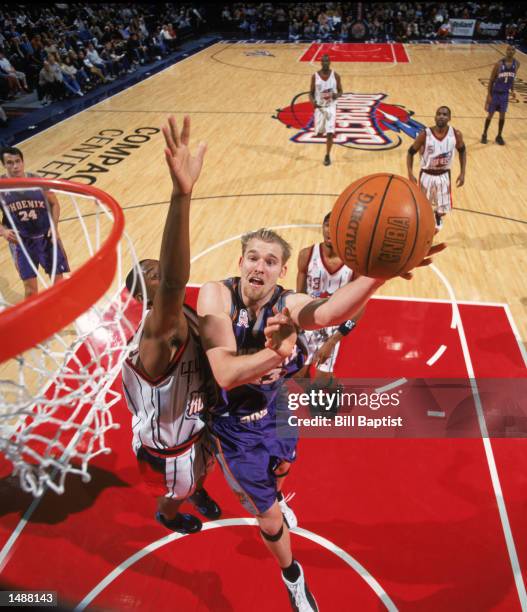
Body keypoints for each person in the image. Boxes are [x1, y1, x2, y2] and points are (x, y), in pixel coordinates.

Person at [198, 227, 444, 611]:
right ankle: (293, 576)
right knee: (270, 519)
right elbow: (226, 373)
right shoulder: (216, 294)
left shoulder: (287, 300)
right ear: (240, 262)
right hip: (234, 431)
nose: (259, 266)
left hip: (275, 406)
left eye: (270, 261)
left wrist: (378, 275)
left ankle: (276, 489)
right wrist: (279, 354)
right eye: (253, 257)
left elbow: (328, 312)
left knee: (283, 466)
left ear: (280, 271)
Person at [121, 116, 221, 535]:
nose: (157, 270)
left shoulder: (185, 319)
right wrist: (182, 194)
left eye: (156, 266)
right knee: (174, 490)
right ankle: (168, 514)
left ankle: (196, 486)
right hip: (167, 448)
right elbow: (176, 282)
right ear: (145, 297)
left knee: (205, 467)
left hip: (195, 426)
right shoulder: (158, 336)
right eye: (150, 274)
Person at [296, 212, 361, 389]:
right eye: (327, 225)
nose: (330, 231)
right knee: (298, 374)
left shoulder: (355, 264)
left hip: (333, 329)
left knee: (322, 381)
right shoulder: (306, 255)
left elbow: (358, 309)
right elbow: (299, 297)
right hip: (308, 323)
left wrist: (333, 341)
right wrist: (294, 329)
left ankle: (335, 388)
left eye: (336, 228)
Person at [0, 146, 70, 298]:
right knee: (31, 289)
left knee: (58, 281)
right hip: (21, 242)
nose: (15, 166)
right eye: (10, 163)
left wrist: (54, 226)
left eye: (18, 161)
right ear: (3, 165)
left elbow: (54, 204)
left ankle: (59, 312)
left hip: (46, 237)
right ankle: (35, 320)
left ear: (23, 162)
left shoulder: (38, 181)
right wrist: (3, 231)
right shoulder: (1, 187)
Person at [407, 106, 466, 231]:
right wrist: (410, 173)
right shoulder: (425, 134)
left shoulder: (456, 134)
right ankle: (424, 222)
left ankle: (438, 216)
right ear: (435, 117)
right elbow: (410, 152)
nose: (441, 116)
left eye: (444, 114)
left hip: (444, 174)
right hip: (426, 175)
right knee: (423, 204)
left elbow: (462, 151)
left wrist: (462, 173)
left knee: (442, 205)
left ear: (449, 118)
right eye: (439, 114)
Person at [481, 45, 520, 145]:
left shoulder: (517, 64)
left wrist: (513, 90)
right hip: (495, 93)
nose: (510, 51)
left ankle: (499, 136)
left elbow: (512, 78)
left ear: (515, 52)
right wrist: (488, 96)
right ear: (506, 51)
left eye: (513, 50)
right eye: (509, 49)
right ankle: (484, 134)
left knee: (502, 115)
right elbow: (491, 81)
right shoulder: (498, 64)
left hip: (505, 94)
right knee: (490, 115)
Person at [309, 54, 342, 166]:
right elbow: (311, 92)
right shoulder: (315, 76)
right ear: (321, 62)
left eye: (327, 61)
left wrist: (336, 96)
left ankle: (327, 155)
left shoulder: (335, 76)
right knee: (319, 133)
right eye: (324, 61)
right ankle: (325, 147)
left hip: (331, 107)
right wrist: (312, 102)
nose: (326, 63)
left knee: (329, 133)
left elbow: (341, 91)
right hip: (320, 107)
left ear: (330, 62)